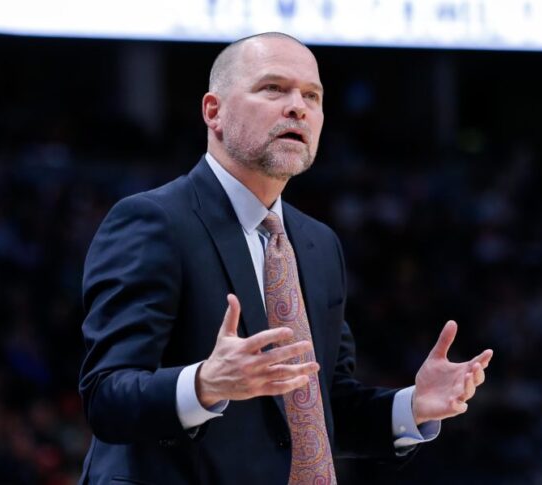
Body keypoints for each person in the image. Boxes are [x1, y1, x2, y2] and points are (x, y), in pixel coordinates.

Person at [78, 32, 493, 485]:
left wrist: (412, 406)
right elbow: (106, 396)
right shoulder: (153, 221)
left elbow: (318, 409)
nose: (297, 106)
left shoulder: (318, 244)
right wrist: (204, 384)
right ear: (213, 112)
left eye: (312, 96)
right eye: (273, 88)